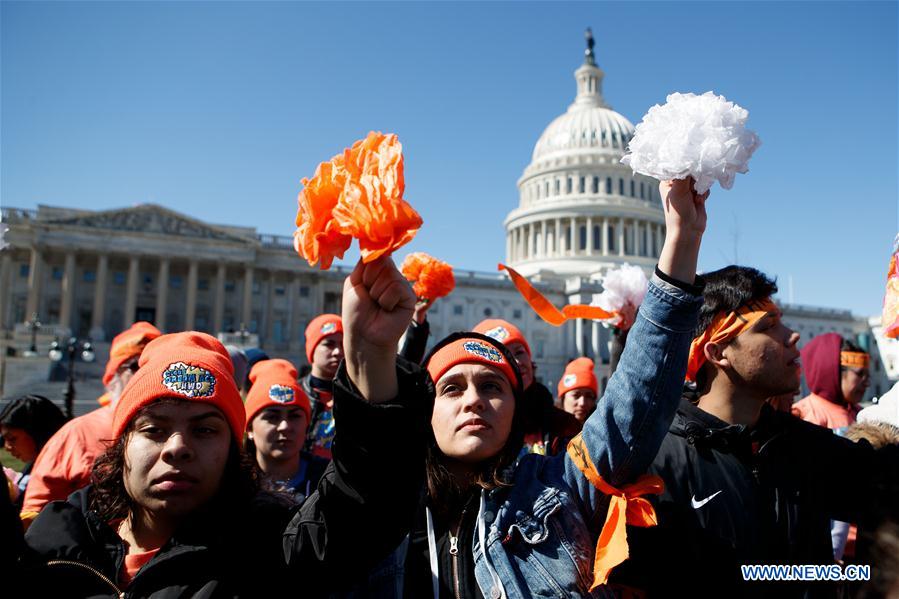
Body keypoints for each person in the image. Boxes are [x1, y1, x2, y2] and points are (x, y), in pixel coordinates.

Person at [350, 178, 708, 597]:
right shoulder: (381, 508)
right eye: (451, 388)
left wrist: (682, 240)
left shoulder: (559, 489)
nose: (474, 401)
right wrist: (368, 355)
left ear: (514, 409)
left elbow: (637, 396)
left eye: (491, 387)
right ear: (424, 409)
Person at [16, 255, 432, 596]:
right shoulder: (51, 541)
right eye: (154, 429)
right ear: (122, 443)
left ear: (236, 448)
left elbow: (363, 508)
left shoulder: (266, 550)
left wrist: (367, 358)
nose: (177, 447)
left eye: (205, 429)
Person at [611, 265, 899, 598]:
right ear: (718, 352)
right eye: (769, 326)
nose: (792, 335)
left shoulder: (805, 447)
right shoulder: (657, 466)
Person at [20, 321, 161, 524]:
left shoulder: (178, 435)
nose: (144, 375)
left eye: (153, 367)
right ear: (115, 375)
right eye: (136, 366)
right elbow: (36, 511)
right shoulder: (77, 433)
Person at [472, 317, 581, 456]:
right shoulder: (478, 425)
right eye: (506, 356)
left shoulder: (564, 424)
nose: (517, 362)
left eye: (519, 352)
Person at [244, 358, 328, 504]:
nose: (285, 426)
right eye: (272, 417)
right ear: (250, 428)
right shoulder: (231, 484)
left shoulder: (329, 480)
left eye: (294, 416)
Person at [792, 334, 869, 434]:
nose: (867, 383)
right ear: (833, 372)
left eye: (867, 376)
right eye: (860, 374)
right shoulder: (803, 416)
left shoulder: (861, 414)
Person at [0, 395, 66, 510]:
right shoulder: (34, 466)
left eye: (12, 439)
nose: (7, 447)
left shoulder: (56, 477)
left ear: (38, 433)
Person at [302, 313, 344, 460]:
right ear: (312, 349)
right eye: (329, 344)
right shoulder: (297, 394)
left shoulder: (356, 394)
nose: (338, 352)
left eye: (343, 344)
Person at [557, 357, 599, 423]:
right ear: (563, 399)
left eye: (588, 396)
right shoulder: (545, 430)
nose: (582, 403)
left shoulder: (605, 431)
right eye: (576, 395)